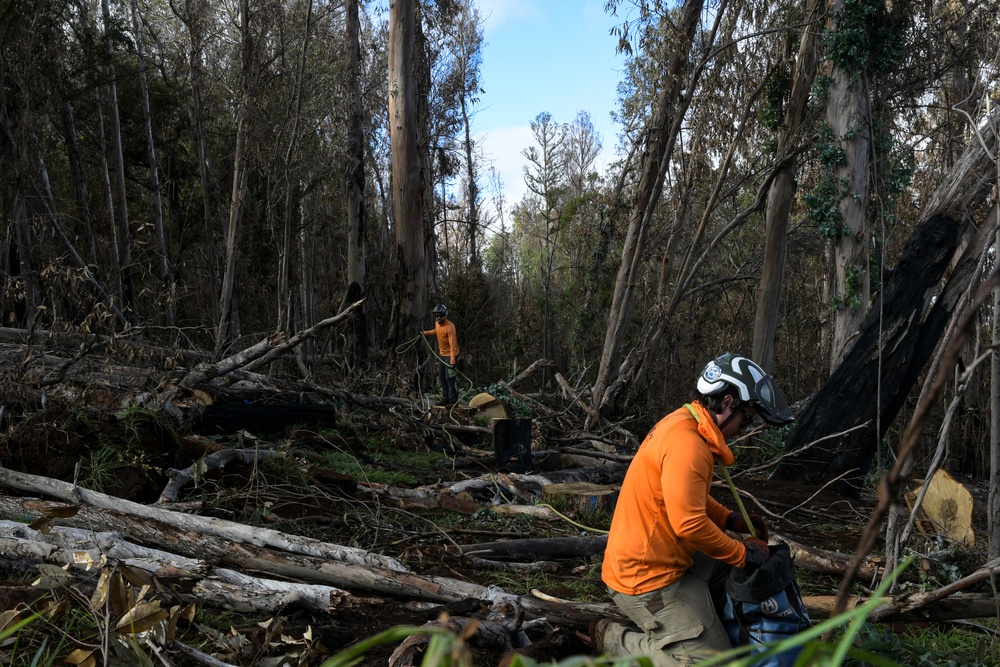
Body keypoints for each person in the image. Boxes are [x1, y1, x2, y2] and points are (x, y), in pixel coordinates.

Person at [595, 353, 795, 666]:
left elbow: (689, 499)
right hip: (646, 579)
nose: (745, 428)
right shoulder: (688, 445)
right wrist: (742, 552)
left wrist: (731, 519)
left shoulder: (684, 423)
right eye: (747, 417)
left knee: (743, 581)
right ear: (728, 403)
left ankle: (707, 624)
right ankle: (614, 639)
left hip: (674, 556)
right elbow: (688, 524)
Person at [423, 303, 460, 405]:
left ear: (445, 315)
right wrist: (426, 333)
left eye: (440, 315)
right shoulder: (437, 324)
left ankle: (453, 401)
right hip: (442, 354)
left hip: (451, 355)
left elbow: (453, 345)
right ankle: (445, 399)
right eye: (436, 316)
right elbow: (437, 331)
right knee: (442, 377)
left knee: (450, 378)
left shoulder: (450, 327)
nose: (438, 318)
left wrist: (452, 361)